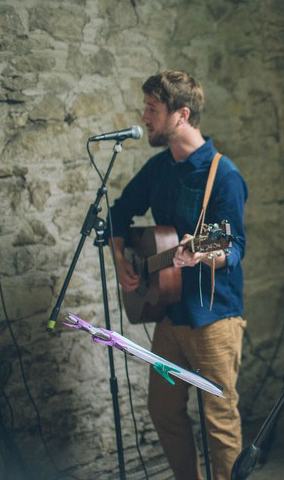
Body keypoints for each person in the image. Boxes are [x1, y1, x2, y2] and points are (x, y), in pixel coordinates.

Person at [109, 70, 248, 480]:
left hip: (213, 318)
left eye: (153, 109)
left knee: (219, 421)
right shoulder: (158, 169)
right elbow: (118, 213)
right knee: (163, 410)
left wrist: (202, 254)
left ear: (181, 115)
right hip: (169, 315)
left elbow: (233, 247)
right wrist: (121, 260)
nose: (145, 116)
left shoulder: (224, 175)